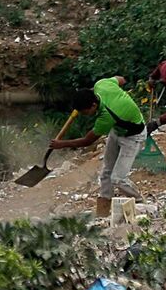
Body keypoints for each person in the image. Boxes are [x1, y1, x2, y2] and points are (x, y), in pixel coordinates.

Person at [49, 76, 148, 219]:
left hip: (133, 137)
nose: (84, 115)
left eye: (85, 112)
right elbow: (121, 79)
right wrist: (122, 98)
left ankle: (140, 200)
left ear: (93, 106)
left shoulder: (106, 116)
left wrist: (61, 144)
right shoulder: (101, 85)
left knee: (118, 179)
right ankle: (103, 211)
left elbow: (87, 141)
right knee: (106, 172)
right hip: (118, 129)